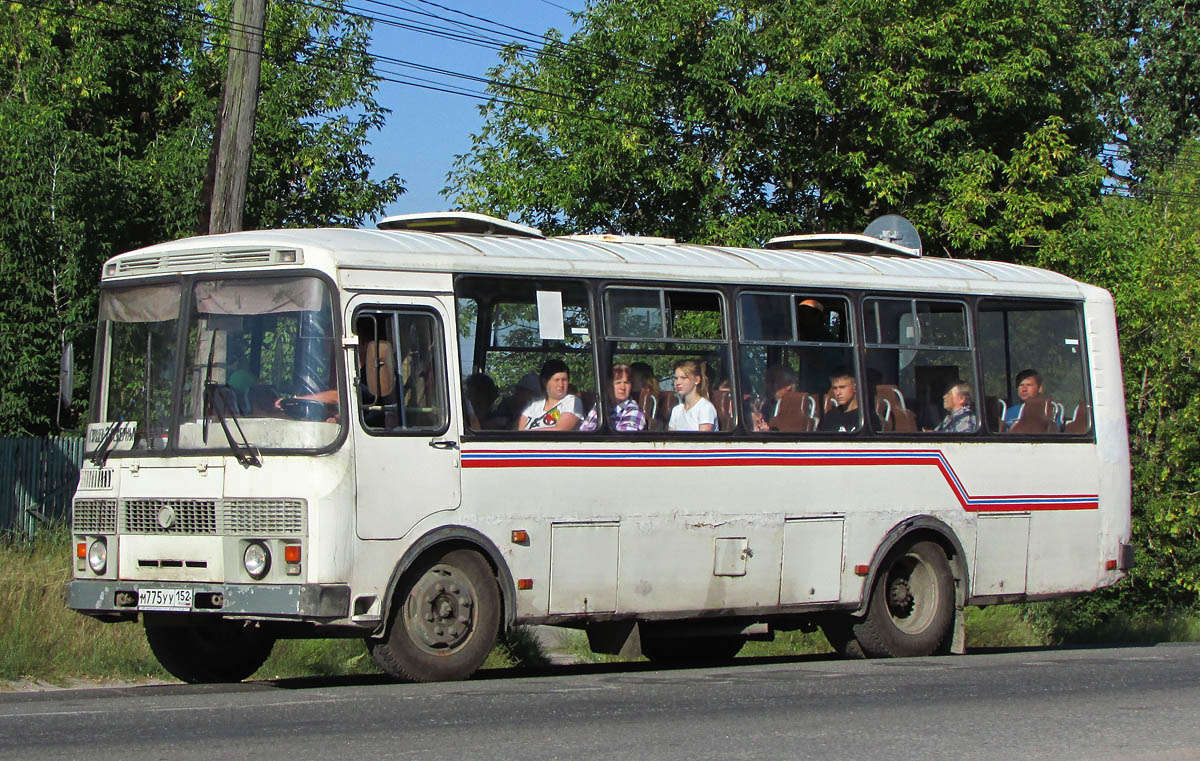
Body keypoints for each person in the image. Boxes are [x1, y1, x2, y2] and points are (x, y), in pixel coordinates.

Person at [518, 359, 583, 431]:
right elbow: (520, 431)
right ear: (545, 382)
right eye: (556, 380)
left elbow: (561, 430)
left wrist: (529, 435)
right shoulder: (533, 404)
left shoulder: (572, 401)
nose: (561, 385)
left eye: (564, 380)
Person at [580, 363, 647, 432]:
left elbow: (624, 440)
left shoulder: (634, 410)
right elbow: (584, 431)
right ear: (609, 385)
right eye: (618, 383)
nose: (623, 387)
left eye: (626, 383)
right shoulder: (600, 406)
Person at [668, 358, 718, 432]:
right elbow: (670, 438)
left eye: (684, 378)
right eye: (676, 378)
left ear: (697, 380)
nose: (678, 382)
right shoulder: (677, 410)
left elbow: (703, 441)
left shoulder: (705, 408)